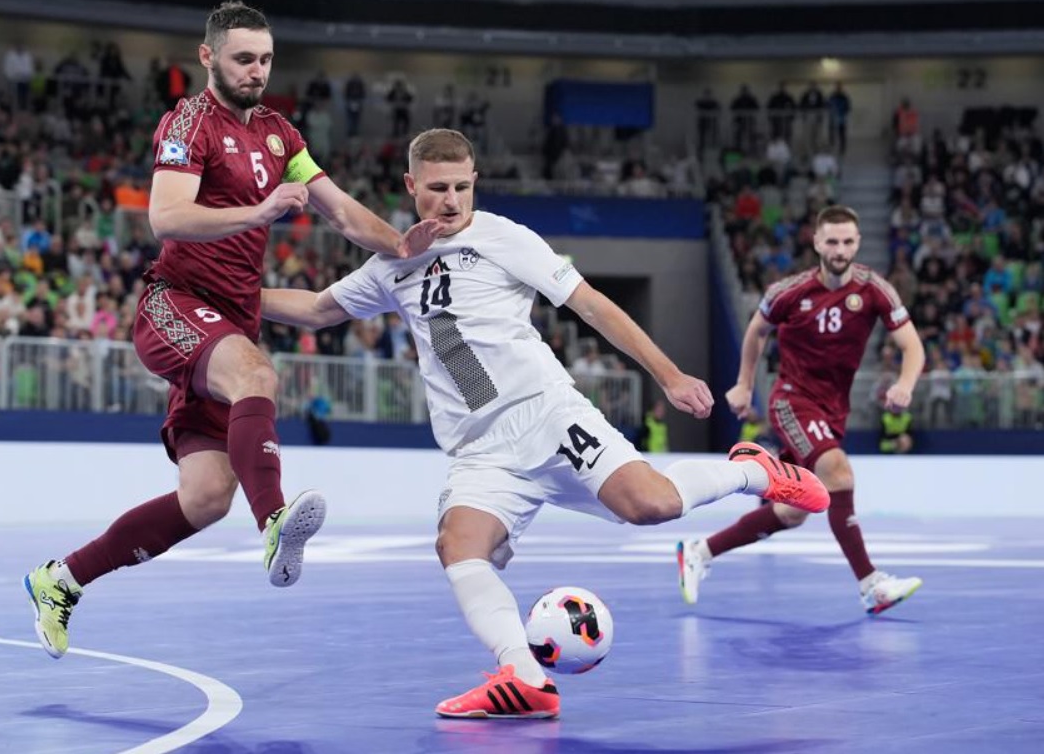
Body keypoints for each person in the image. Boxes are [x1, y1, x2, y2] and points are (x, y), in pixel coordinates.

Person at [260, 128, 829, 719]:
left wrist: (669, 376)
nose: (451, 201)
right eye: (437, 189)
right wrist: (232, 298)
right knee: (458, 545)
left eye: (461, 187)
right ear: (410, 186)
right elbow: (318, 309)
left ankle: (751, 472)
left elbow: (592, 306)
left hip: (546, 416)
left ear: (474, 182)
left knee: (652, 505)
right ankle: (524, 676)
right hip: (481, 451)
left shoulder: (503, 237)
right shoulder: (393, 264)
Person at [23, 1, 443, 660]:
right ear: (208, 57)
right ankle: (273, 521)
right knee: (256, 373)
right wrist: (259, 211)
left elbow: (339, 211)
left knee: (205, 498)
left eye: (265, 59)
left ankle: (61, 580)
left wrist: (400, 244)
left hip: (228, 321)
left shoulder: (280, 136)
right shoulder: (188, 122)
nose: (256, 71)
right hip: (175, 304)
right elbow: (166, 217)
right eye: (244, 58)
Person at [678, 205, 927, 616]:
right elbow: (757, 331)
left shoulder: (875, 289)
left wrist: (905, 384)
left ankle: (699, 551)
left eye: (847, 241)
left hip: (833, 410)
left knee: (792, 512)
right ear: (816, 243)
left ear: (858, 243)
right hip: (792, 400)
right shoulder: (789, 291)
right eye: (832, 241)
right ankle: (871, 585)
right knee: (838, 472)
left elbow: (912, 345)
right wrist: (744, 384)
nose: (840, 249)